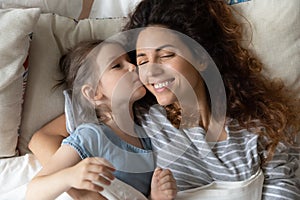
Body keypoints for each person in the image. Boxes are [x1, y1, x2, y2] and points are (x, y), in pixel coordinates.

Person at [29, 0, 300, 199]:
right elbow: (42, 140)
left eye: (167, 55)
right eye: (142, 59)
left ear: (202, 58)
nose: (147, 70)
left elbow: (284, 190)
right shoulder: (138, 116)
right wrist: (89, 192)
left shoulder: (262, 125)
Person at [26, 40, 177, 200]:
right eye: (117, 66)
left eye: (129, 61)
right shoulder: (91, 136)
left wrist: (155, 196)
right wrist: (70, 176)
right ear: (93, 93)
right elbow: (34, 192)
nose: (133, 67)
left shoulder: (146, 136)